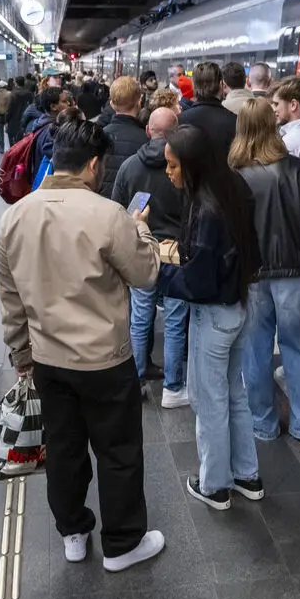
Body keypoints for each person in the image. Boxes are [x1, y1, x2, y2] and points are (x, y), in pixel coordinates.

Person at [0, 118, 165, 572]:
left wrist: (21, 354)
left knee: (65, 451)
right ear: (93, 165)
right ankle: (123, 543)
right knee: (118, 451)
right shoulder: (108, 214)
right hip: (106, 360)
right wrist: (141, 230)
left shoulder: (16, 216)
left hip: (48, 360)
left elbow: (9, 297)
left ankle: (73, 532)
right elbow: (146, 274)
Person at [158, 124, 264, 509]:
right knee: (235, 394)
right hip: (240, 303)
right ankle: (247, 475)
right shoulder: (234, 186)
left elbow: (198, 280)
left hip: (213, 314)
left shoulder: (204, 207)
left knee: (209, 400)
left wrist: (160, 273)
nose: (168, 173)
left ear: (192, 165)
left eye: (172, 166)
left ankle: (215, 485)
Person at [231, 98, 300, 442]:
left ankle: (264, 423)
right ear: (273, 127)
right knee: (297, 347)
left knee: (255, 351)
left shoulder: (234, 173)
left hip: (252, 276)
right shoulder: (293, 168)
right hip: (294, 271)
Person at [111, 108, 185, 403]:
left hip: (142, 250)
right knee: (176, 320)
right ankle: (173, 386)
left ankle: (138, 378)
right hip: (177, 252)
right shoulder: (184, 165)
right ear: (176, 133)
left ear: (147, 131)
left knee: (141, 316)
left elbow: (118, 209)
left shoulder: (130, 166)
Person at [178, 62, 237, 169]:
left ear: (194, 86)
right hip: (224, 182)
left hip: (190, 183)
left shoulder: (181, 119)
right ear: (221, 85)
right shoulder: (234, 121)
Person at [100, 76, 148, 198]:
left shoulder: (99, 136)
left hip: (101, 206)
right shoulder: (146, 140)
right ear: (139, 102)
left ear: (112, 104)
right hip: (130, 209)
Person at [27, 87, 68, 187]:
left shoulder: (41, 124)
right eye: (64, 101)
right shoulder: (52, 131)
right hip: (49, 187)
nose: (69, 104)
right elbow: (60, 163)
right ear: (53, 106)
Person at [7, 76, 34, 144]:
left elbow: (9, 109)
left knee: (13, 144)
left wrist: (6, 120)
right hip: (26, 122)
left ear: (16, 83)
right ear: (24, 83)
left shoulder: (12, 94)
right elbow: (32, 107)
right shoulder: (29, 94)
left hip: (13, 122)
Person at [0, 80, 12, 152]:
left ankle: (1, 147)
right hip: (7, 115)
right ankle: (11, 147)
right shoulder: (9, 94)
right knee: (10, 132)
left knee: (0, 133)